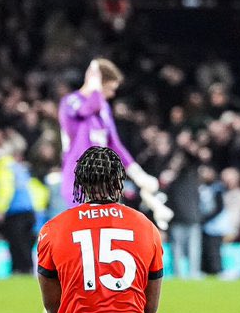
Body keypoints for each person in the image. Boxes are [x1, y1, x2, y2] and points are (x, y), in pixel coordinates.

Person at [33, 147, 162, 313]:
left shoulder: (54, 229)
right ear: (119, 182)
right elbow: (150, 308)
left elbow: (52, 309)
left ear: (79, 183)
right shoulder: (146, 226)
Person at [58, 59, 172, 228]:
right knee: (88, 239)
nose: (112, 95)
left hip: (103, 184)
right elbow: (86, 109)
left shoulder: (104, 108)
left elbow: (114, 144)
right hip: (79, 183)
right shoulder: (70, 103)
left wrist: (137, 173)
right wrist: (94, 84)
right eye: (110, 88)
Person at [0, 137, 36, 276]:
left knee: (16, 244)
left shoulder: (3, 165)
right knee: (26, 244)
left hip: (15, 211)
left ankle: (19, 270)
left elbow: (5, 189)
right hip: (29, 210)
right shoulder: (20, 168)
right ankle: (28, 270)